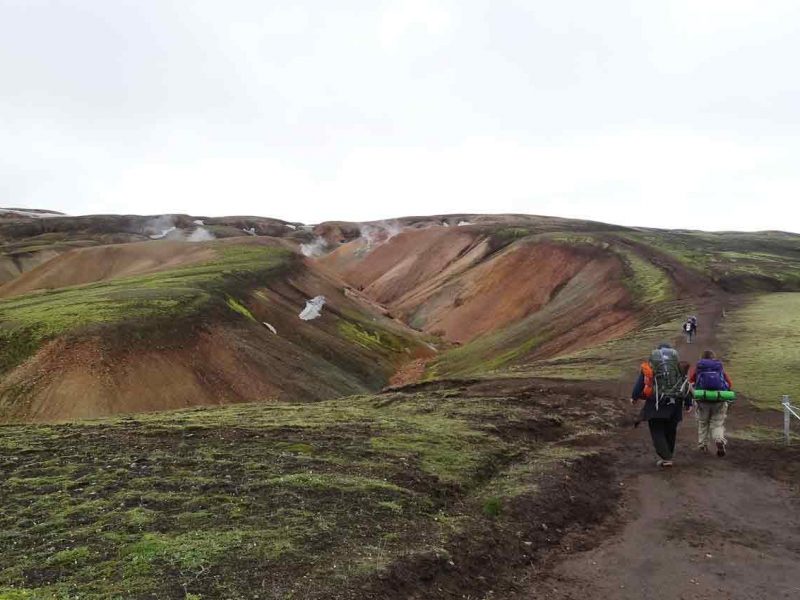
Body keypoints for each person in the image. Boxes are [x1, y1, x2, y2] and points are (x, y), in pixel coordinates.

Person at [631, 343, 693, 468]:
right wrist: (688, 403)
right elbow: (685, 384)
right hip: (675, 404)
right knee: (671, 430)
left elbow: (640, 383)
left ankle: (666, 457)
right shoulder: (677, 367)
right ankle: (668, 455)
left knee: (657, 430)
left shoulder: (651, 366)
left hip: (656, 404)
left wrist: (634, 397)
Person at [690, 350, 733, 456]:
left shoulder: (699, 368)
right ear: (713, 357)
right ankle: (719, 439)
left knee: (703, 422)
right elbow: (729, 383)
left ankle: (702, 445)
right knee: (717, 423)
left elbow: (691, 381)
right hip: (719, 399)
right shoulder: (719, 368)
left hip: (702, 400)